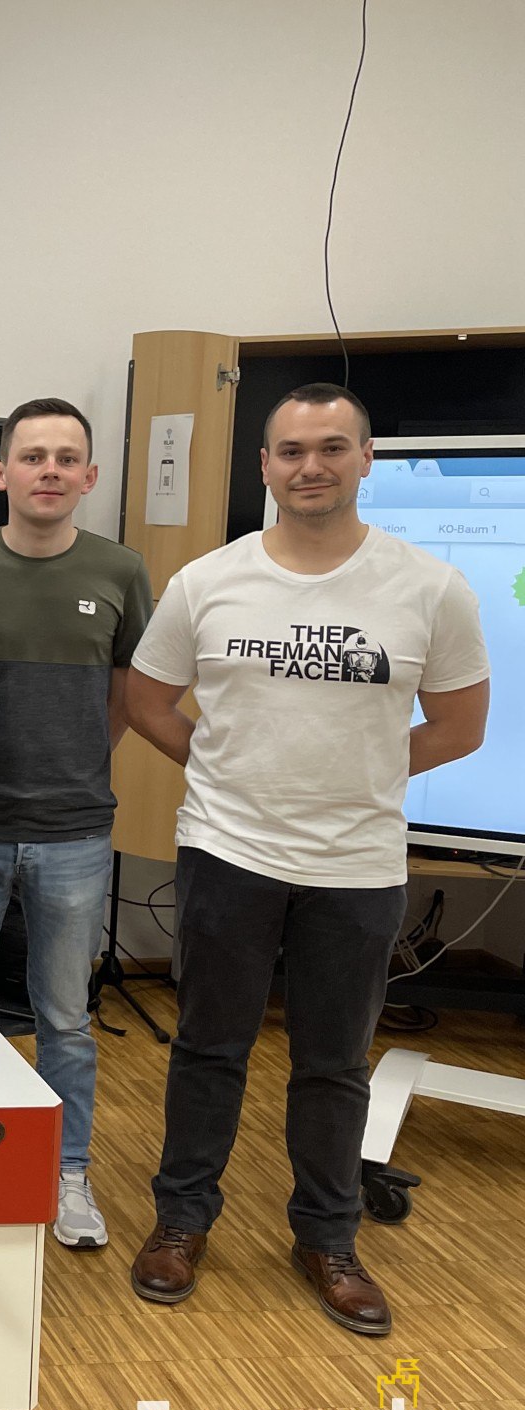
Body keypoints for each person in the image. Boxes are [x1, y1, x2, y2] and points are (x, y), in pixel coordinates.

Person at [125, 383, 488, 1335]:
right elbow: (148, 701)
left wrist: (359, 772)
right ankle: (181, 1221)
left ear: (366, 459)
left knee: (334, 1063)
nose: (311, 466)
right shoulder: (207, 582)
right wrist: (224, 766)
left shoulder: (431, 588)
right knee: (209, 1048)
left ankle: (328, 1239)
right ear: (265, 467)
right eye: (291, 451)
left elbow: (461, 726)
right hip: (228, 849)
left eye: (332, 448)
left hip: (357, 863)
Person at [0, 398, 153, 1249]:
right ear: (1, 473)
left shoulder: (121, 571)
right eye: (33, 456)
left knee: (65, 1019)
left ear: (89, 476)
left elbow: (124, 698)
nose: (50, 471)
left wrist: (74, 764)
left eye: (67, 458)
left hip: (75, 835)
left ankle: (68, 1176)